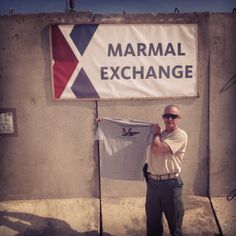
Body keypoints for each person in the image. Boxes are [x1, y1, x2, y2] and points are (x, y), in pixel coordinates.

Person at [145, 104, 188, 236]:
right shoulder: (158, 134)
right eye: (166, 115)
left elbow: (157, 149)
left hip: (170, 184)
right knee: (152, 226)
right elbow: (131, 133)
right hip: (153, 184)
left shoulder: (180, 135)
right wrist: (105, 124)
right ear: (163, 117)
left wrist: (156, 133)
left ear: (178, 118)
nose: (169, 119)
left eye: (173, 116)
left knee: (175, 227)